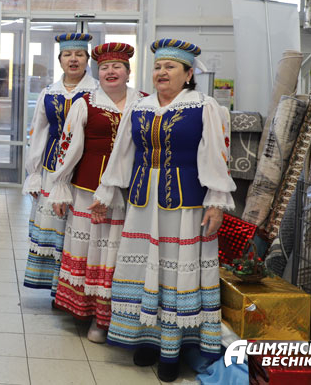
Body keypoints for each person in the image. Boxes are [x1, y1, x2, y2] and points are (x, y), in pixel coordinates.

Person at [89, 39, 234, 382]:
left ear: (188, 74)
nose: (161, 73)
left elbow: (216, 156)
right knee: (144, 270)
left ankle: (173, 348)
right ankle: (146, 340)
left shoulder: (205, 107)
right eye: (157, 67)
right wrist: (106, 192)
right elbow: (122, 153)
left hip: (185, 204)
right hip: (143, 203)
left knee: (175, 271)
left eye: (170, 67)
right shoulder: (139, 108)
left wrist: (216, 202)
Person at [46, 43, 146, 343]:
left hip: (131, 192)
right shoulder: (85, 103)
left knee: (121, 253)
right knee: (92, 251)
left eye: (117, 67)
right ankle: (92, 315)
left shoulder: (144, 103)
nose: (110, 72)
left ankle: (121, 317)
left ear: (128, 72)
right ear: (97, 73)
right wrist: (60, 185)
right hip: (89, 191)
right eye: (104, 68)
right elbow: (68, 147)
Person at [22, 33, 98, 294]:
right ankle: (55, 286)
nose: (73, 59)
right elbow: (38, 132)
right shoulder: (48, 93)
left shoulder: (97, 92)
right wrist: (33, 173)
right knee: (55, 223)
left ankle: (74, 289)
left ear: (87, 59)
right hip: (52, 168)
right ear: (60, 60)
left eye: (79, 54)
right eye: (67, 55)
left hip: (85, 168)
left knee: (79, 226)